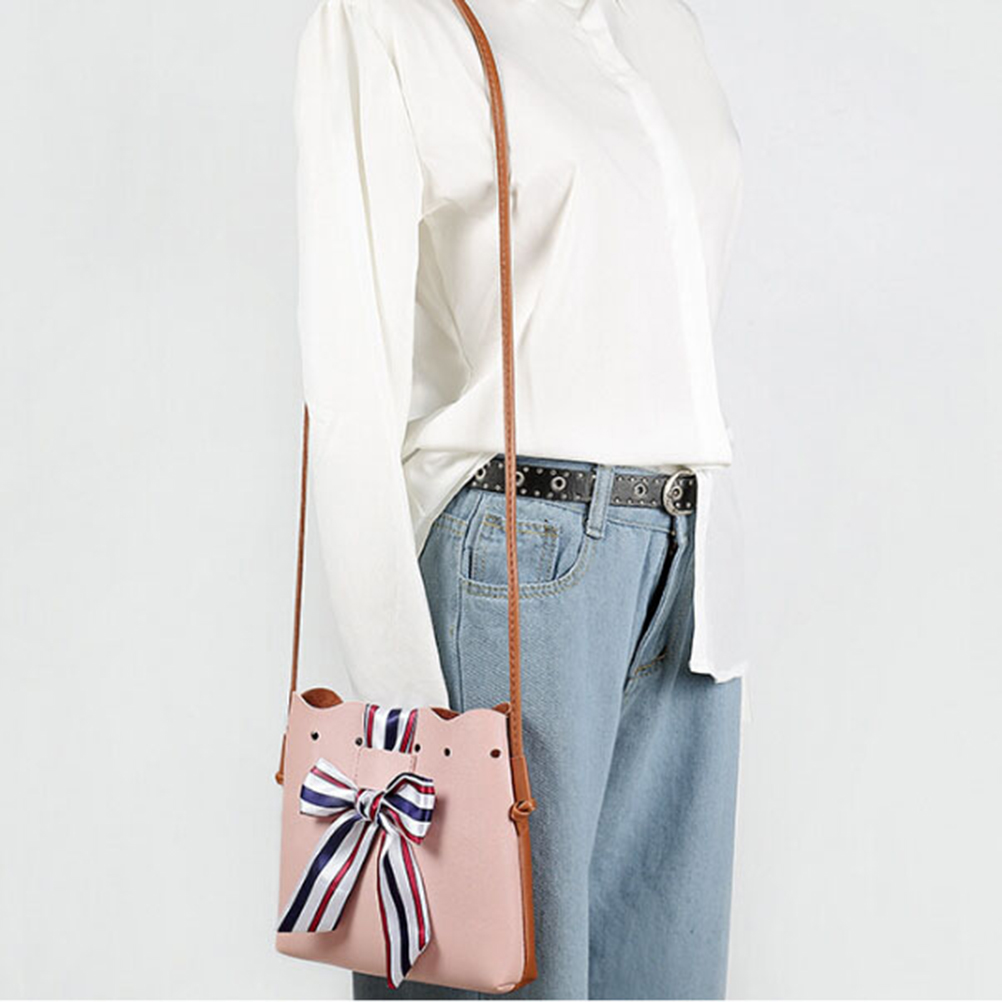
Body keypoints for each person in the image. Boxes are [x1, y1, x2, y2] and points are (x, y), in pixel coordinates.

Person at [291, 0, 748, 996]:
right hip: (519, 562)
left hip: (693, 565)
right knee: (492, 975)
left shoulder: (662, 23)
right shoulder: (392, 19)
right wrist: (404, 716)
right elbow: (350, 370)